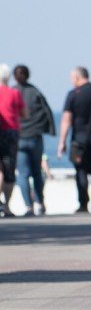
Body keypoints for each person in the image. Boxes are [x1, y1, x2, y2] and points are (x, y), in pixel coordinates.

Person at [57, 66, 91, 214]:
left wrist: (62, 141)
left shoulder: (73, 94)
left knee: (80, 170)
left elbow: (66, 119)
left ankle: (83, 203)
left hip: (79, 140)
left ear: (77, 77)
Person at [13, 65, 55, 216]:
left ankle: (28, 206)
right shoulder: (35, 92)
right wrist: (50, 130)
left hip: (18, 138)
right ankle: (40, 202)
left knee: (23, 173)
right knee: (37, 172)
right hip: (35, 137)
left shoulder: (12, 92)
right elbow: (47, 112)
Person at [0, 64, 22, 217]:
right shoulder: (14, 93)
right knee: (9, 170)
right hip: (11, 132)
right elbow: (24, 113)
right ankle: (6, 205)